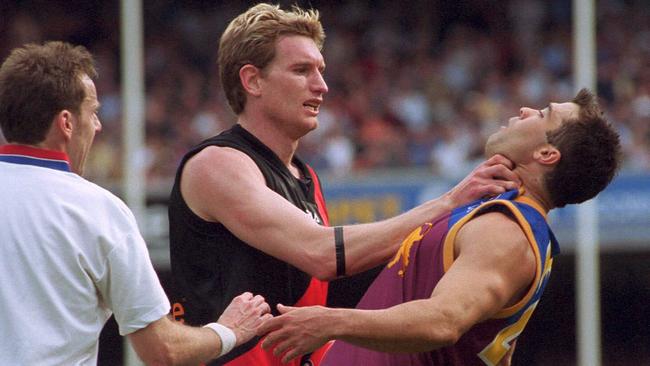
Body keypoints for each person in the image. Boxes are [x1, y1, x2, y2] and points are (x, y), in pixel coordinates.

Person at [168, 3, 520, 366]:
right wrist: (451, 201)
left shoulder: (304, 176)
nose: (322, 86)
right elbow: (322, 254)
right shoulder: (217, 163)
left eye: (320, 71)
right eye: (301, 70)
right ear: (252, 80)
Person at [257, 88, 622, 365]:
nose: (526, 110)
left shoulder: (507, 231)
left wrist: (329, 323)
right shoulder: (501, 217)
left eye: (542, 114)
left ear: (546, 155)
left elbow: (443, 322)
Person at [0, 41, 272, 366]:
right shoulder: (96, 211)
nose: (98, 125)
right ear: (67, 123)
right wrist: (228, 331)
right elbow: (163, 350)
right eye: (93, 111)